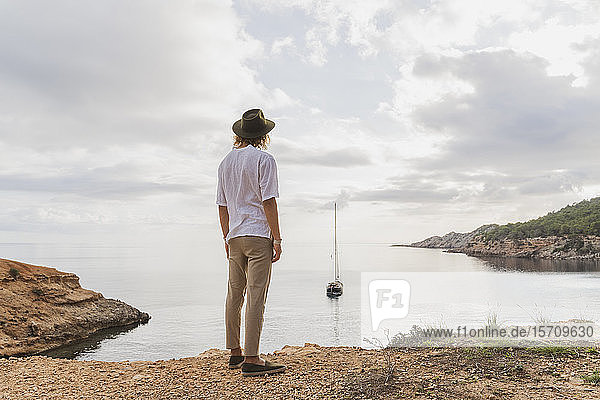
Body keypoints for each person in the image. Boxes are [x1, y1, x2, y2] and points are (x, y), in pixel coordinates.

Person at [216, 108, 285, 377]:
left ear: (239, 134)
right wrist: (277, 238)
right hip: (257, 235)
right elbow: (268, 201)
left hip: (234, 236)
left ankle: (235, 353)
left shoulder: (224, 163)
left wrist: (226, 236)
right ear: (263, 135)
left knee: (234, 294)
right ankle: (253, 359)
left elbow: (222, 205)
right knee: (256, 296)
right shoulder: (264, 160)